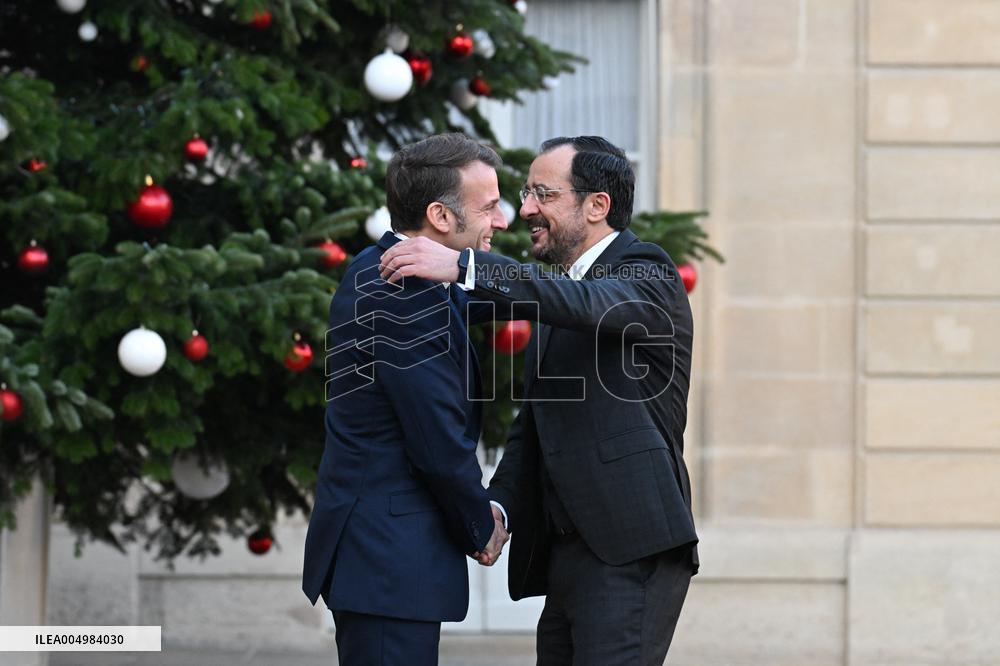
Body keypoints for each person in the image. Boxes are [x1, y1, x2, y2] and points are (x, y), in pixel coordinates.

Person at [379, 135, 698, 666]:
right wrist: (497, 507)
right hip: (568, 556)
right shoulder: (559, 298)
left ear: (597, 205)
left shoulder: (648, 271)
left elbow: (590, 301)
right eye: (526, 193)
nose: (523, 208)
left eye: (542, 194)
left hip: (631, 549)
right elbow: (535, 426)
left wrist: (466, 267)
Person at [302, 133, 510, 666]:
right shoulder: (399, 291)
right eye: (489, 207)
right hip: (386, 561)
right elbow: (436, 440)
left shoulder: (395, 272)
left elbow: (529, 296)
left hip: (384, 558)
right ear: (440, 216)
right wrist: (480, 524)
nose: (502, 220)